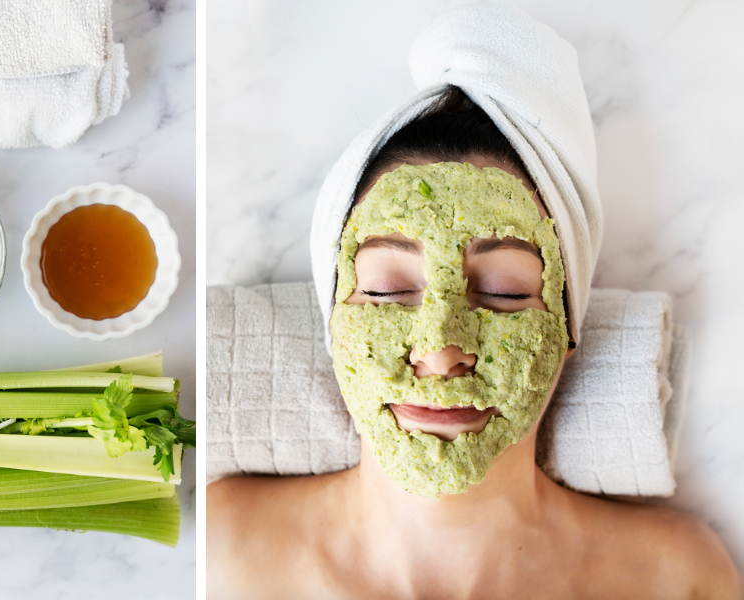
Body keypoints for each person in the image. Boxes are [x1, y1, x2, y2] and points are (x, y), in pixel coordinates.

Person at [206, 87, 742, 598]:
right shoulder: (222, 552)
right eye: (385, 290)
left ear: (567, 328)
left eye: (504, 293)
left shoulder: (678, 580)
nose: (440, 353)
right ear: (332, 324)